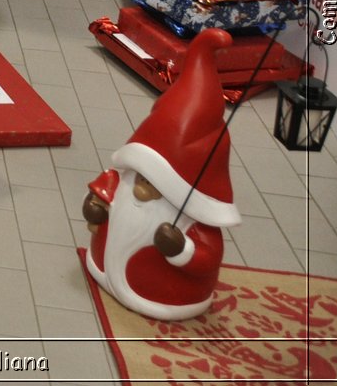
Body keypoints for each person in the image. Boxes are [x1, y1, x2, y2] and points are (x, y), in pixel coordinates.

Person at [83, 29, 239, 320]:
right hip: (104, 268)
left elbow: (208, 256)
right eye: (141, 176)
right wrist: (95, 205)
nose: (141, 186)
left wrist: (183, 250)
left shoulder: (193, 216)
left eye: (152, 182)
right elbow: (106, 186)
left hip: (164, 296)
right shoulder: (125, 179)